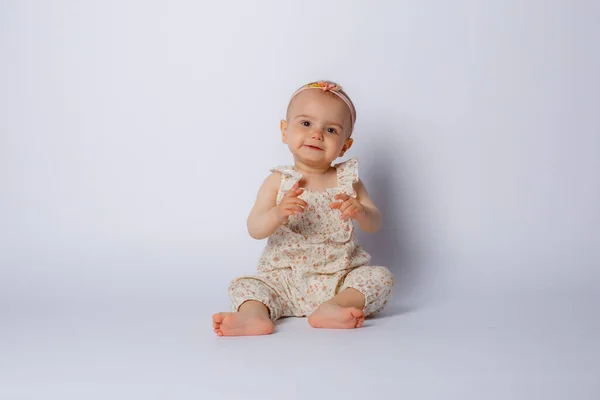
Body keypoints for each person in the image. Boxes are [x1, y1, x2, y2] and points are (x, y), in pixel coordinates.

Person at [212, 81, 395, 336]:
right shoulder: (279, 181)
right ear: (284, 131)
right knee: (246, 286)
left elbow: (375, 223)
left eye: (331, 129)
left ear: (345, 145)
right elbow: (254, 228)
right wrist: (277, 213)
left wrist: (362, 212)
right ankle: (253, 316)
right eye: (306, 124)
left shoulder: (349, 182)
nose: (317, 134)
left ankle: (334, 307)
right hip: (283, 280)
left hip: (339, 279)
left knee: (380, 277)